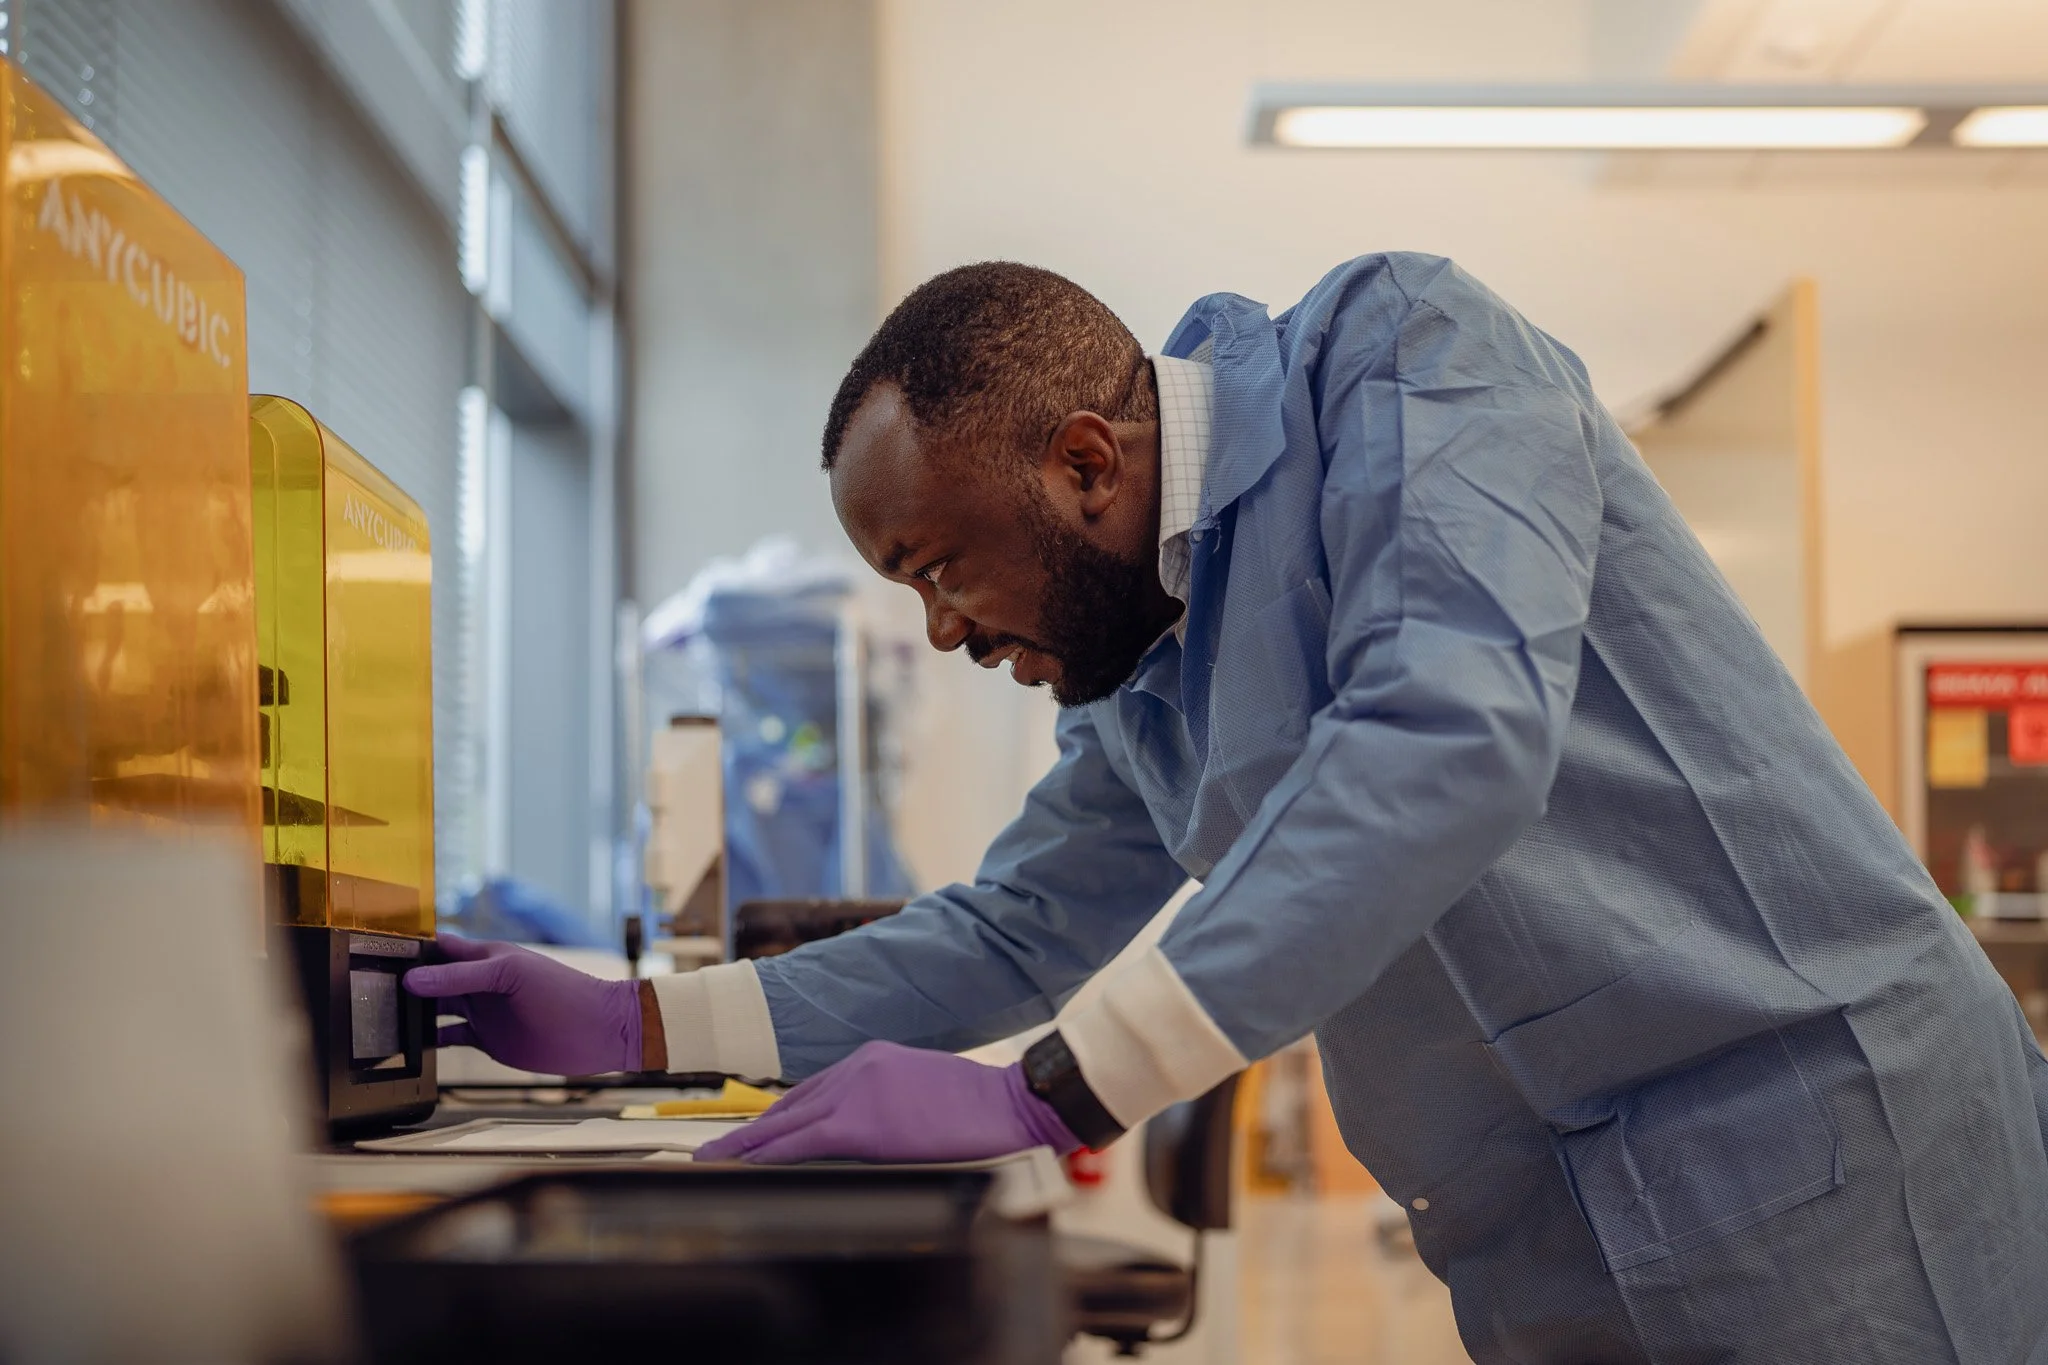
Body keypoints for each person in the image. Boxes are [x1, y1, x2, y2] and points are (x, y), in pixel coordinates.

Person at [406, 254, 2048, 1363]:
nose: (942, 632)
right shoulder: (1142, 664)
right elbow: (1020, 925)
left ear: (1085, 463)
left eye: (936, 565)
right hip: (1550, 1232)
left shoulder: (1413, 360)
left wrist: (1056, 1096)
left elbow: (1449, 737)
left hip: (1829, 1161)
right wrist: (641, 1025)